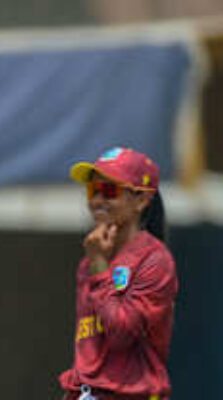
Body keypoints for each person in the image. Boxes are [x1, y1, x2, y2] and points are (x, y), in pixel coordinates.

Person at [59, 147, 178, 400]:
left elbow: (121, 335)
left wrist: (100, 266)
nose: (97, 200)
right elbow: (90, 346)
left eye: (109, 190)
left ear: (141, 200)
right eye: (92, 190)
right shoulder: (90, 260)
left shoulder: (154, 259)